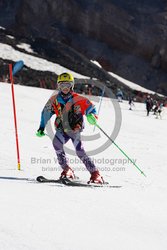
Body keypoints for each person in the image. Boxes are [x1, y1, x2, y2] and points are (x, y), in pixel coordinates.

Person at [36, 72, 104, 184]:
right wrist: (41, 127)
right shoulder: (54, 100)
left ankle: (95, 174)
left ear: (72, 85)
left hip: (75, 129)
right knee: (57, 144)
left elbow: (91, 108)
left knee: (79, 151)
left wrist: (92, 116)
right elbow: (45, 113)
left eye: (67, 85)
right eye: (62, 85)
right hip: (61, 129)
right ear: (58, 86)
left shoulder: (79, 99)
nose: (65, 88)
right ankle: (67, 169)